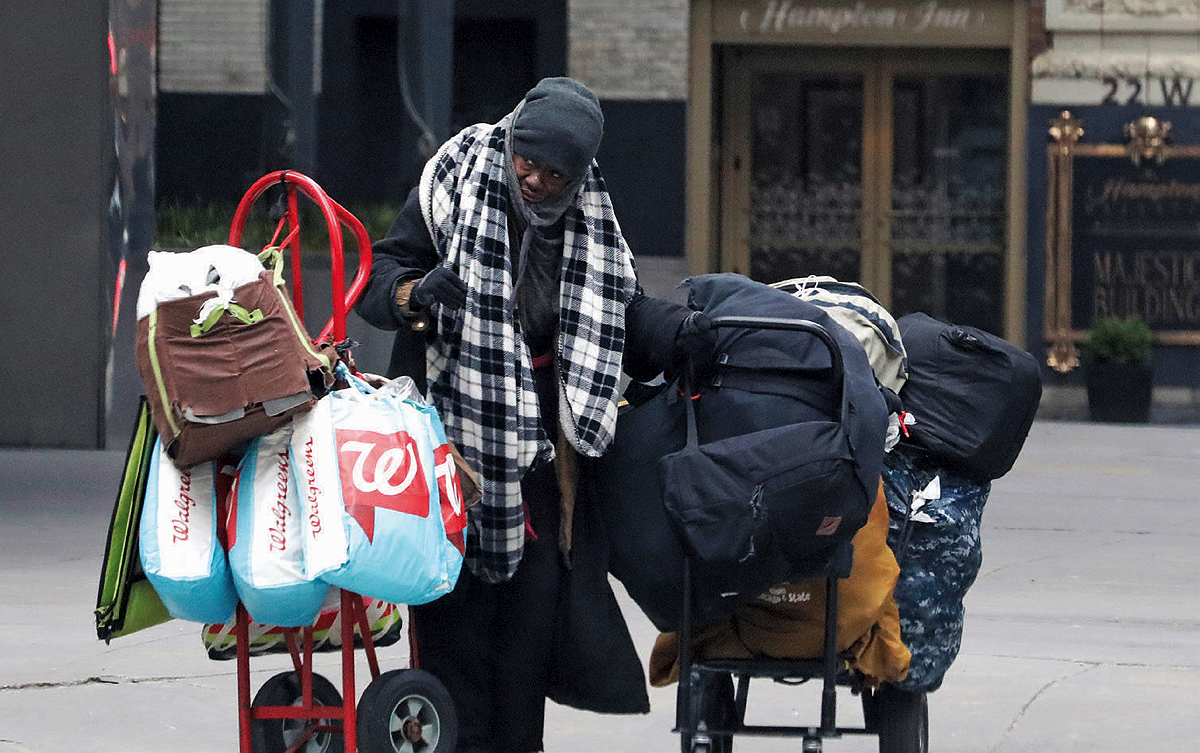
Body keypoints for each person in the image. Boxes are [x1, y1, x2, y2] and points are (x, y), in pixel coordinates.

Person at [355, 77, 715, 753]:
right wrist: (415, 293)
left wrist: (680, 330)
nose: (538, 181)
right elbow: (376, 281)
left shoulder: (592, 219)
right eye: (529, 162)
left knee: (530, 629)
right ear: (513, 137)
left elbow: (623, 314)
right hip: (448, 451)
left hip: (547, 462)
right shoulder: (454, 181)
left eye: (556, 173)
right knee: (454, 620)